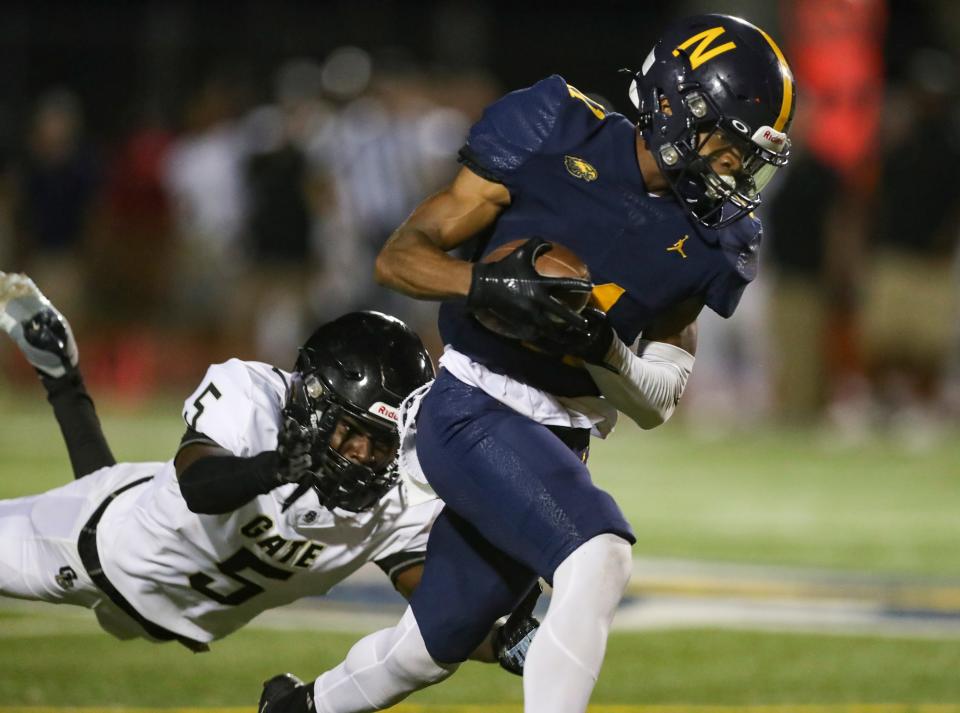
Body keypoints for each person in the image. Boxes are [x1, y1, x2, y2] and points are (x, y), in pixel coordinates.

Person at [259, 13, 795, 713]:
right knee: (599, 555)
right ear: (677, 108)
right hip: (474, 405)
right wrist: (489, 286)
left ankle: (298, 708)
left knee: (436, 639)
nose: (735, 170)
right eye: (729, 145)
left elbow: (657, 399)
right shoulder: (554, 127)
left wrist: (603, 350)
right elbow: (400, 254)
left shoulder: (714, 238)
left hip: (564, 440)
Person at [0, 271, 473, 653]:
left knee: (124, 503)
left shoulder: (396, 496)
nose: (365, 456)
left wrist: (514, 637)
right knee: (109, 505)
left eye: (383, 442)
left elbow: (445, 608)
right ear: (312, 401)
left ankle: (61, 374)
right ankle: (61, 378)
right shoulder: (253, 397)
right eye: (355, 432)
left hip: (176, 610)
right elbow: (199, 488)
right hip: (88, 550)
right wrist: (273, 469)